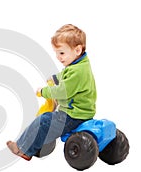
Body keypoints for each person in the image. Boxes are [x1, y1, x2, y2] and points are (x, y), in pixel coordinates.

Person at [7, 24, 97, 161]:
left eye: (61, 53)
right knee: (46, 120)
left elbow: (62, 91)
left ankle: (23, 149)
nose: (58, 57)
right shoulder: (79, 64)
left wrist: (44, 92)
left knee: (43, 121)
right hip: (78, 111)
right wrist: (55, 78)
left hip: (73, 115)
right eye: (56, 53)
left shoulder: (78, 71)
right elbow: (66, 76)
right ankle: (30, 144)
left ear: (77, 50)